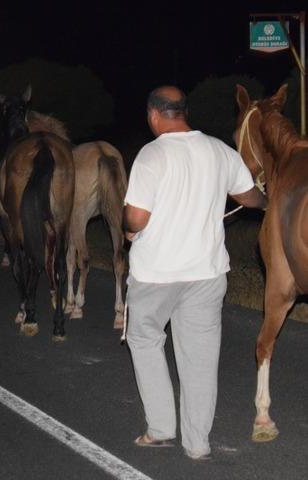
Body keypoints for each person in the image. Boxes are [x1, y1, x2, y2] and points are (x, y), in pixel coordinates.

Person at [122, 86, 267, 460]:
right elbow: (250, 196)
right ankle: (198, 442)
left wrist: (127, 228)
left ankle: (160, 428)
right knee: (201, 356)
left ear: (154, 114)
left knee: (144, 339)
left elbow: (136, 217)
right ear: (183, 111)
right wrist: (268, 199)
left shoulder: (152, 155)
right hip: (206, 273)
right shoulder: (220, 150)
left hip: (156, 273)